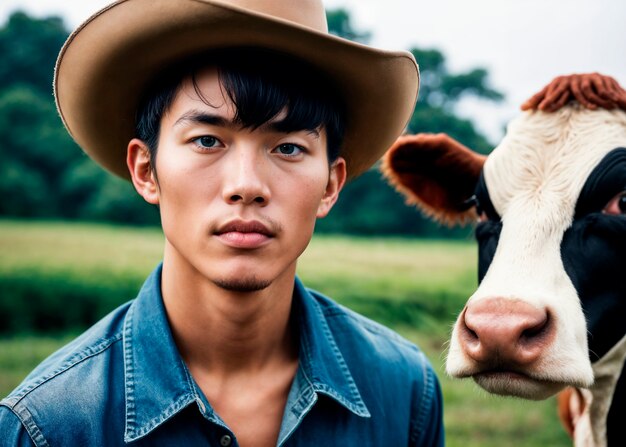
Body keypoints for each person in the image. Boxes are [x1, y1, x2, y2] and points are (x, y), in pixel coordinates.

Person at [0, 0, 444, 445]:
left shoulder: (404, 392)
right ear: (145, 170)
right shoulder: (48, 425)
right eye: (207, 140)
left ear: (330, 184)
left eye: (288, 147)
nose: (247, 185)